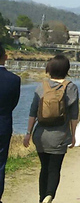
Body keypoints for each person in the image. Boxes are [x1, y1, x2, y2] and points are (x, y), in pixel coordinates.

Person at [23, 54, 80, 203]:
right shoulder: (71, 87)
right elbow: (74, 116)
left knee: (44, 168)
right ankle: (49, 195)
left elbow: (32, 112)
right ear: (67, 69)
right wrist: (73, 135)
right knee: (54, 169)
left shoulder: (41, 86)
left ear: (50, 68)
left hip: (40, 135)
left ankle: (42, 198)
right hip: (59, 136)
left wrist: (28, 133)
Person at [0, 44, 21, 203]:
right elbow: (14, 103)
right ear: (5, 57)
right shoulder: (14, 80)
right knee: (0, 165)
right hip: (3, 125)